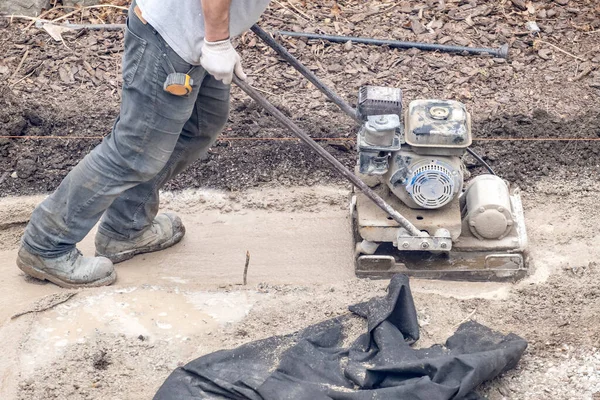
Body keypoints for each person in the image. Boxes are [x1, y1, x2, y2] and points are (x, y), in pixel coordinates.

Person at [17, 0, 271, 288]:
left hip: (196, 32)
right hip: (171, 36)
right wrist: (216, 41)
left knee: (201, 125)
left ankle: (126, 229)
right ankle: (46, 245)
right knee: (135, 150)